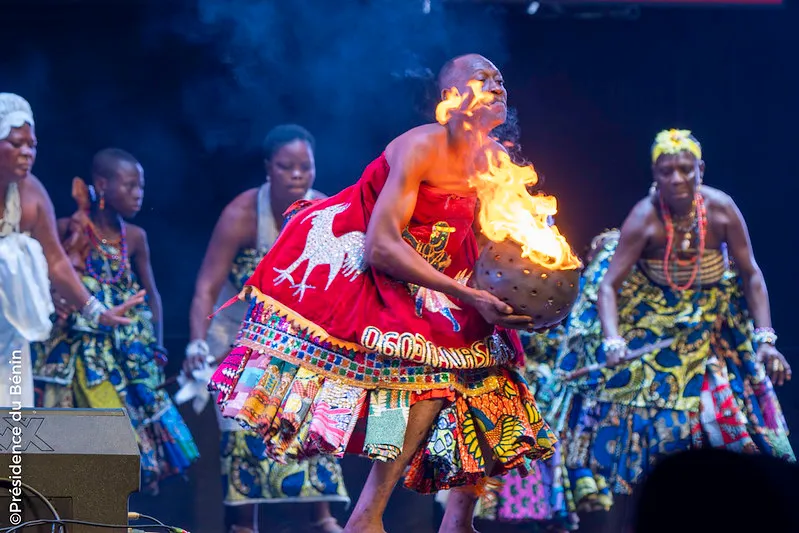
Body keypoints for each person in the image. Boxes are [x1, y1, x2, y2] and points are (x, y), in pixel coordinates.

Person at [208, 54, 557, 533]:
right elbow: (380, 246)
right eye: (483, 78)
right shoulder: (418, 148)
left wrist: (520, 292)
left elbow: (497, 244)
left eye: (500, 77)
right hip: (383, 277)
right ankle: (366, 518)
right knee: (423, 386)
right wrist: (463, 293)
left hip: (452, 285)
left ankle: (459, 520)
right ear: (452, 100)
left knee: (495, 383)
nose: (497, 84)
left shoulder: (496, 160)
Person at [558, 129, 794, 531]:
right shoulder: (644, 217)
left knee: (723, 420)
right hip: (657, 330)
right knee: (645, 428)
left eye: (686, 169)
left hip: (715, 328)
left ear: (701, 170)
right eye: (667, 171)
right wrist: (613, 340)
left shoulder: (721, 210)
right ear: (655, 173)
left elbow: (752, 274)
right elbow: (609, 287)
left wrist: (766, 339)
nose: (678, 179)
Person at [185, 125, 348, 533]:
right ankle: (244, 522)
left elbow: (342, 282)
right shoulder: (241, 214)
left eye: (305, 167)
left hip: (299, 338)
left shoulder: (325, 211)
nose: (297, 175)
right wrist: (195, 344)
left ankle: (323, 517)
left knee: (308, 418)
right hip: (238, 338)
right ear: (268, 169)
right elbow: (206, 286)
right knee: (245, 421)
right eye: (286, 166)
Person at [31, 148, 199, 495]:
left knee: (126, 435)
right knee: (94, 427)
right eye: (130, 185)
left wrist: (157, 347)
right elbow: (47, 280)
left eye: (141, 186)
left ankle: (111, 511)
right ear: (102, 185)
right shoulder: (68, 228)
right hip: (82, 348)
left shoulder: (135, 238)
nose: (139, 193)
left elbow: (152, 294)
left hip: (126, 348)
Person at [0, 93, 141, 408]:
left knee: (11, 423)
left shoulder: (32, 194)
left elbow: (56, 262)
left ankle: (12, 460)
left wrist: (96, 312)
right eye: (16, 144)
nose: (27, 153)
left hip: (8, 329)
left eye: (31, 145)